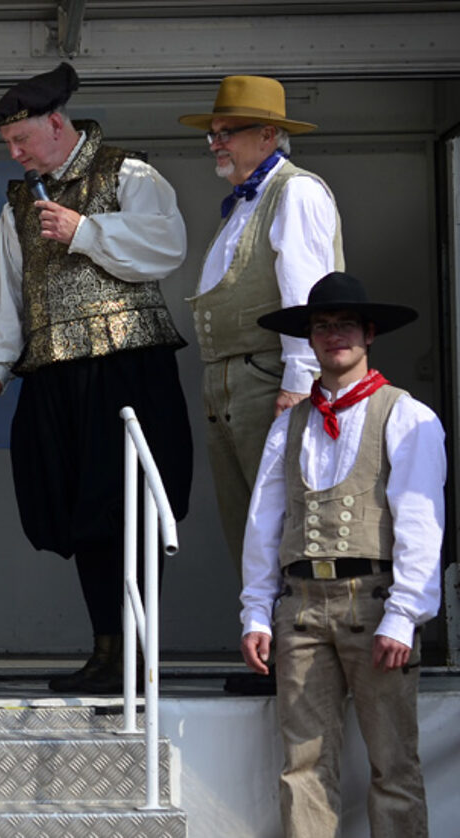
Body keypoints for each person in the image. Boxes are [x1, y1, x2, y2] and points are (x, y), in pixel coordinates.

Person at [0, 63, 193, 693]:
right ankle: (105, 647)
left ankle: (140, 653)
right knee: (82, 515)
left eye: (21, 141)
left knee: (131, 512)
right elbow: (9, 298)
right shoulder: (19, 204)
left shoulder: (129, 173)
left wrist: (87, 231)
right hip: (55, 378)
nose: (15, 155)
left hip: (127, 372)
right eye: (9, 146)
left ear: (56, 123)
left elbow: (167, 246)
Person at [240, 271, 440, 838]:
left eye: (345, 325)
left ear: (369, 333)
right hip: (300, 607)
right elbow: (265, 520)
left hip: (374, 603)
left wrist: (404, 615)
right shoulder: (291, 423)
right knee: (302, 767)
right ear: (310, 339)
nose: (334, 336)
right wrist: (257, 609)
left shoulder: (406, 415)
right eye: (322, 327)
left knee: (393, 765)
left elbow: (422, 524)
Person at [180, 78, 343, 694]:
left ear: (269, 135)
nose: (215, 143)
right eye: (213, 134)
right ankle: (273, 653)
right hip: (236, 379)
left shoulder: (293, 192)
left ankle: (301, 661)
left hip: (268, 375)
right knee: (250, 523)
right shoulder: (250, 200)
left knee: (284, 518)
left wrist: (299, 380)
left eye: (227, 132)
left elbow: (307, 292)